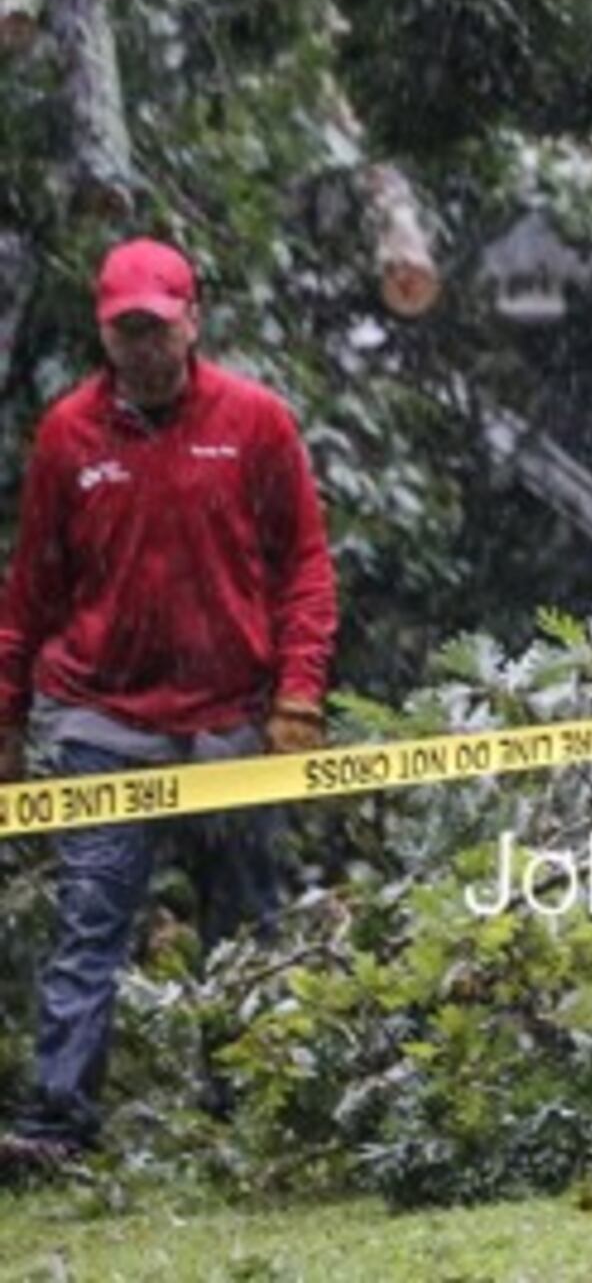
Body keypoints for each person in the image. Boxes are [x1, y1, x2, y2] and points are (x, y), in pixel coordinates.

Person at [0, 239, 339, 1169]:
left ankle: (245, 1114)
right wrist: (8, 714)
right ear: (106, 334)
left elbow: (305, 568)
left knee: (247, 922)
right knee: (90, 921)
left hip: (228, 717)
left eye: (158, 327)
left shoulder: (257, 422)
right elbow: (31, 586)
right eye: (126, 332)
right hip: (101, 718)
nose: (144, 347)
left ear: (193, 319)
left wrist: (298, 695)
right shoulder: (68, 435)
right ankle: (57, 1126)